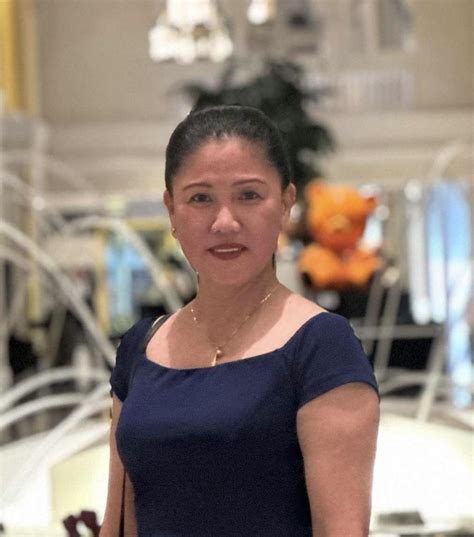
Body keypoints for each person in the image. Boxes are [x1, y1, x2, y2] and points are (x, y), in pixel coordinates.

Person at [100, 105, 380, 537]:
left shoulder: (322, 346)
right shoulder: (141, 347)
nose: (225, 222)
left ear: (285, 203)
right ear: (172, 210)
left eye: (249, 195)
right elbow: (119, 524)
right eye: (200, 198)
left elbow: (341, 529)